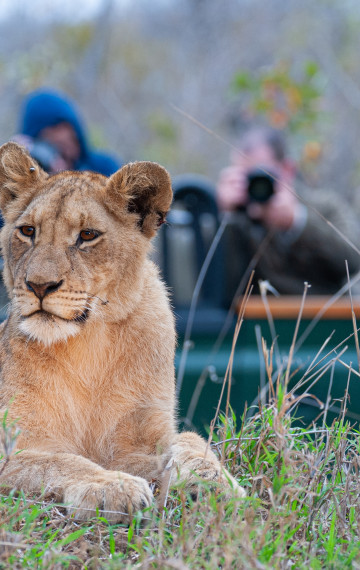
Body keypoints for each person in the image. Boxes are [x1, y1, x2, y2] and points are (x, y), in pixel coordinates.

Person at [217, 126, 360, 302]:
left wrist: (297, 222)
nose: (254, 184)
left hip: (327, 321)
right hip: (254, 322)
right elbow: (219, 284)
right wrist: (224, 216)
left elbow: (352, 261)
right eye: (244, 176)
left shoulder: (324, 207)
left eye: (261, 173)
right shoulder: (236, 217)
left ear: (287, 169)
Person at [13, 88, 121, 176]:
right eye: (57, 149)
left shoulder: (103, 168)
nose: (63, 135)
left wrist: (63, 181)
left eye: (73, 140)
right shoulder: (32, 175)